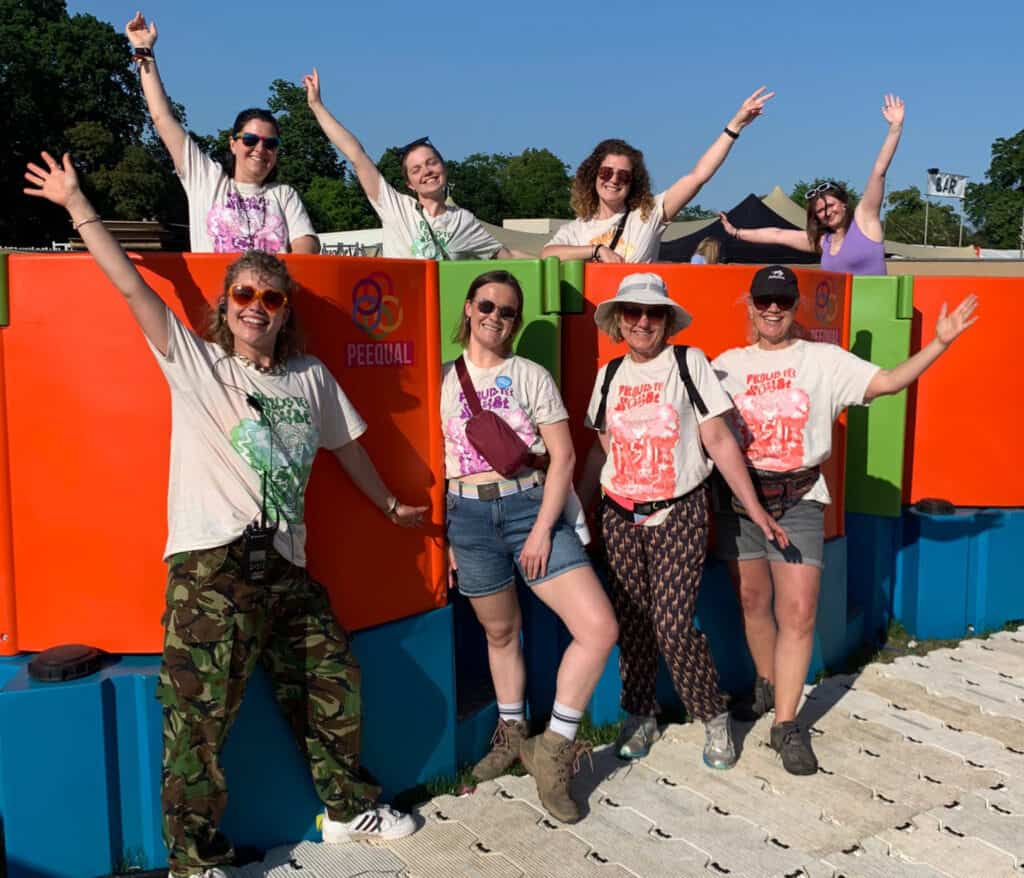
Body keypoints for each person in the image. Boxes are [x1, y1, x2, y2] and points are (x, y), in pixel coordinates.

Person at [24, 151, 427, 878]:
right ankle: (193, 859)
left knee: (334, 680)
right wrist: (77, 203)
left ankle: (345, 809)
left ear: (286, 311)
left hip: (288, 564)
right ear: (226, 301)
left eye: (271, 298)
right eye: (244, 293)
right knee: (200, 718)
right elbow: (130, 287)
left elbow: (349, 451)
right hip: (212, 562)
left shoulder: (311, 377)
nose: (255, 307)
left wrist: (390, 503)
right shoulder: (197, 362)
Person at [712, 265, 977, 775]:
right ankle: (766, 685)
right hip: (741, 499)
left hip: (799, 496)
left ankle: (786, 724)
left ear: (794, 308)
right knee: (752, 600)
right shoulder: (727, 365)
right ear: (751, 306)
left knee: (801, 612)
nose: (772, 310)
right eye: (764, 301)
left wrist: (940, 343)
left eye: (782, 302)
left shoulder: (823, 360)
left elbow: (889, 382)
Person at [580, 273, 787, 768]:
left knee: (673, 625)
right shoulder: (608, 375)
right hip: (619, 516)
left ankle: (712, 715)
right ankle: (639, 713)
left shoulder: (687, 362)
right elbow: (602, 451)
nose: (644, 321)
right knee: (632, 622)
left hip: (679, 512)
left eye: (654, 313)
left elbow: (718, 441)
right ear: (619, 321)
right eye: (633, 312)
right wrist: (579, 514)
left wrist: (754, 507)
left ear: (668, 321)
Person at [442, 270, 618, 823]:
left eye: (509, 312)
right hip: (467, 515)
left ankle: (554, 747)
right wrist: (444, 538)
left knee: (598, 628)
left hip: (528, 510)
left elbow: (563, 457)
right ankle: (512, 732)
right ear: (469, 308)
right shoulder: (443, 378)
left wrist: (543, 529)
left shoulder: (530, 375)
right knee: (500, 631)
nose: (496, 317)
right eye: (488, 306)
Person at [125, 12, 318, 255]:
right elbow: (163, 119)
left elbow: (306, 244)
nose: (260, 149)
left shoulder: (284, 195)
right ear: (233, 143)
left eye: (270, 143)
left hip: (270, 293)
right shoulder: (206, 179)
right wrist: (144, 51)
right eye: (250, 139)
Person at [303, 70, 530, 260]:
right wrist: (316, 105)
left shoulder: (464, 221)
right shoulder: (395, 207)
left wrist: (551, 260)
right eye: (416, 169)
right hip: (402, 308)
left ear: (444, 168)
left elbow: (506, 256)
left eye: (432, 163)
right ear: (409, 183)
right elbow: (356, 154)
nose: (427, 172)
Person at [540, 88, 774, 264]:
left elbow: (698, 176)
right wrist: (596, 250)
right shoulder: (575, 230)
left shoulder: (648, 214)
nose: (613, 180)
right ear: (592, 175)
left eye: (624, 175)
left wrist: (736, 125)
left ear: (634, 182)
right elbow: (547, 254)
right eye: (606, 172)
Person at [718, 95, 906, 276]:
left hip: (876, 307)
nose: (827, 212)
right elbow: (777, 235)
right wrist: (736, 232)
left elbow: (878, 173)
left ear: (843, 204)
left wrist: (895, 128)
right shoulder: (822, 242)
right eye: (820, 210)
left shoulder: (865, 220)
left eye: (831, 205)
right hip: (840, 308)